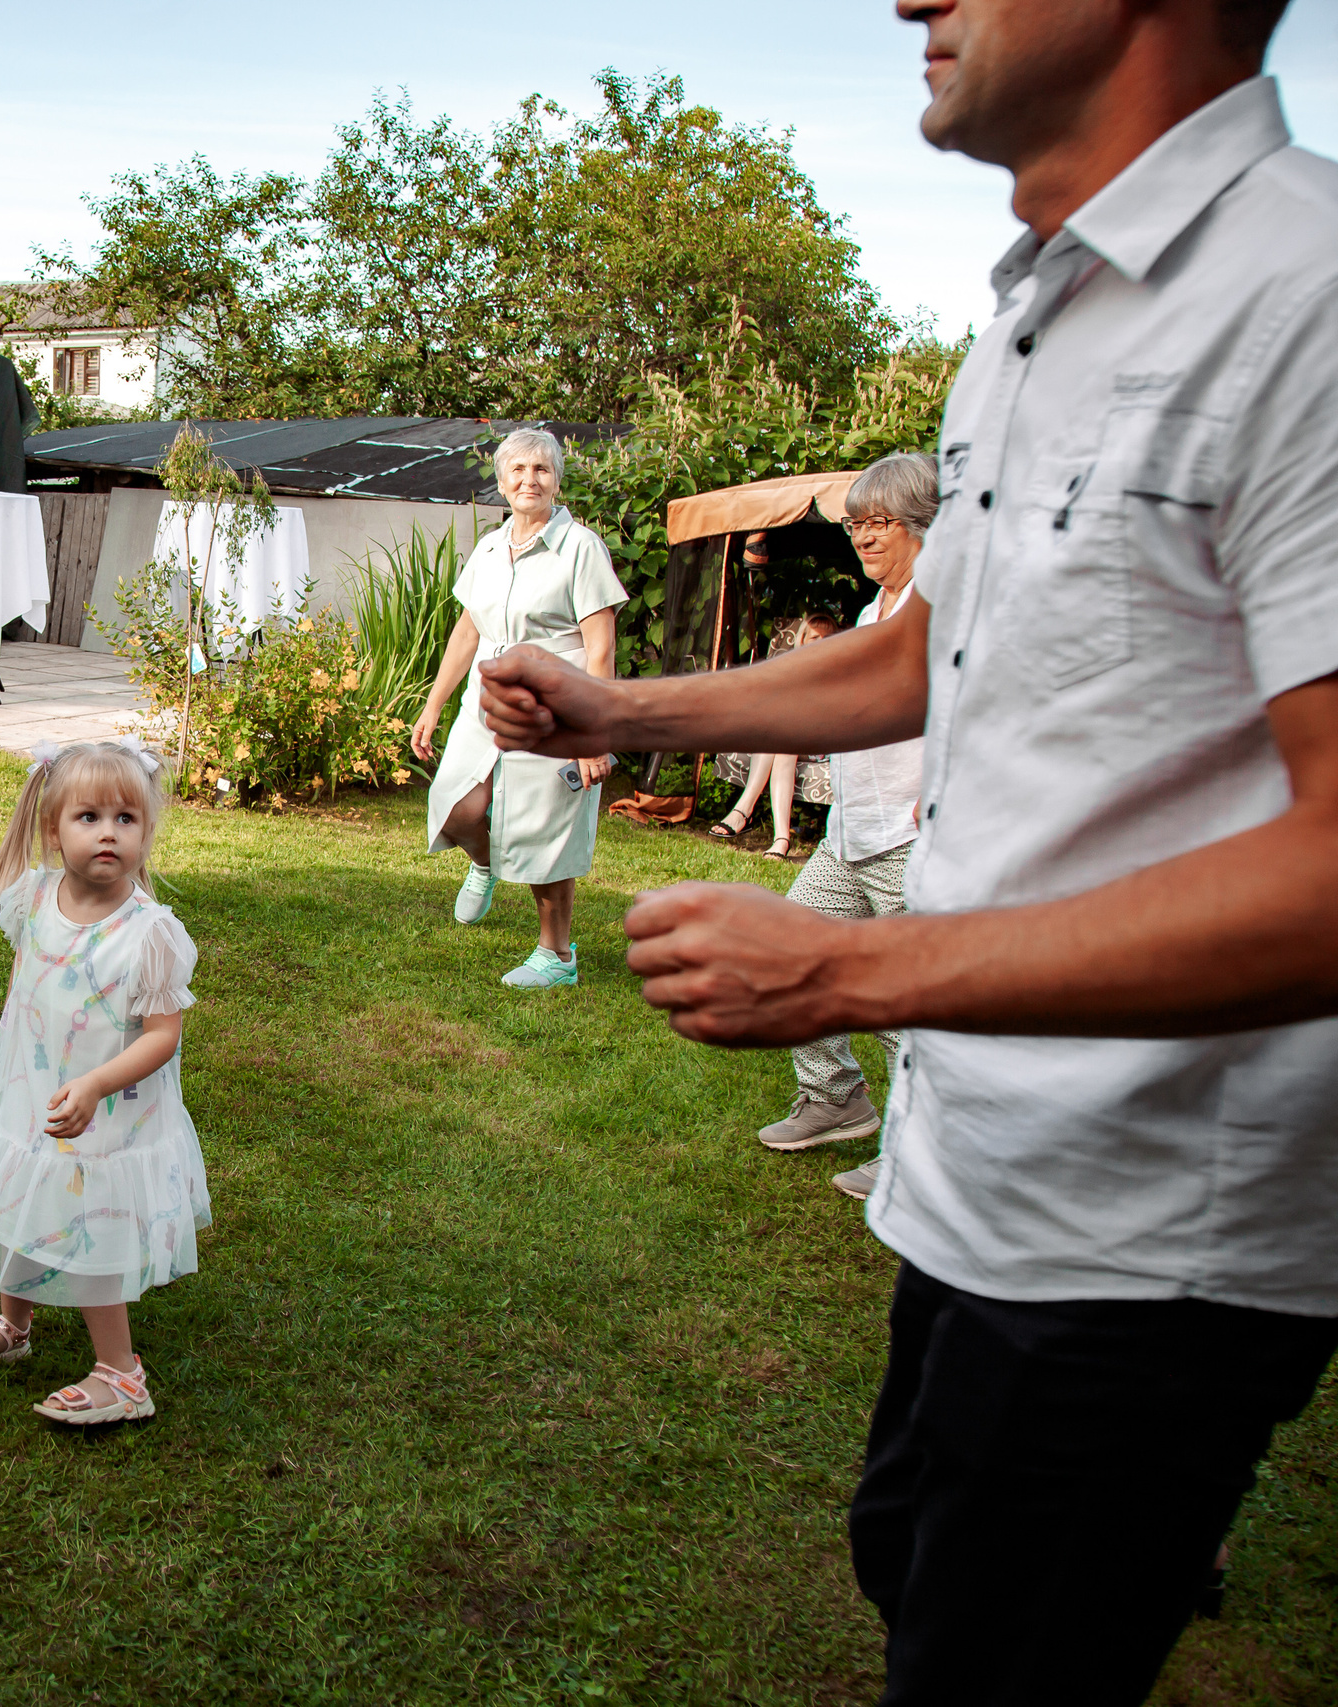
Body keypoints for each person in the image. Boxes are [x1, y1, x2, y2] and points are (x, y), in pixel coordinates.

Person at [474, 0, 1337, 1692]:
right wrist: (627, 712)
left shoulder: (1302, 298)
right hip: (980, 1171)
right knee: (908, 1563)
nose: (911, 0)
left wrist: (859, 966)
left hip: (1154, 1230)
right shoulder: (1026, 322)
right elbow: (925, 650)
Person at [0, 740, 208, 1425]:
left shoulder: (150, 935)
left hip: (106, 1118)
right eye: (88, 816)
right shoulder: (33, 898)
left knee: (88, 1225)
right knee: (23, 1196)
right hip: (30, 1092)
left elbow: (164, 1036)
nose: (109, 831)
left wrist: (95, 1085)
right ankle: (14, 1327)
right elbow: (30, 987)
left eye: (126, 818)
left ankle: (122, 1371)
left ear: (147, 831)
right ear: (53, 829)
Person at [756, 456, 934, 1198]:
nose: (862, 536)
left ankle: (923, 1154)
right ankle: (835, 1096)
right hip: (851, 827)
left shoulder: (944, 605)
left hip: (912, 834)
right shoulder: (873, 611)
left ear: (921, 521)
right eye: (855, 523)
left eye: (878, 521)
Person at [409, 427, 627, 989]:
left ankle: (556, 957)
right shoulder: (488, 547)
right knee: (456, 804)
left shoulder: (580, 547)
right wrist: (433, 704)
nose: (530, 480)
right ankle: (484, 862)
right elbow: (467, 630)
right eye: (519, 471)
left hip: (555, 707)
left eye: (542, 470)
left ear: (556, 480)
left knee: (546, 829)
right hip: (488, 701)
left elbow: (600, 647)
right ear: (503, 481)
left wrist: (592, 735)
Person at [710, 610, 844, 860]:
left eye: (828, 638)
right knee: (780, 744)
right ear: (802, 640)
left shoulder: (837, 670)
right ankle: (781, 839)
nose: (822, 643)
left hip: (820, 741)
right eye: (815, 638)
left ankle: (743, 810)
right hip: (788, 737)